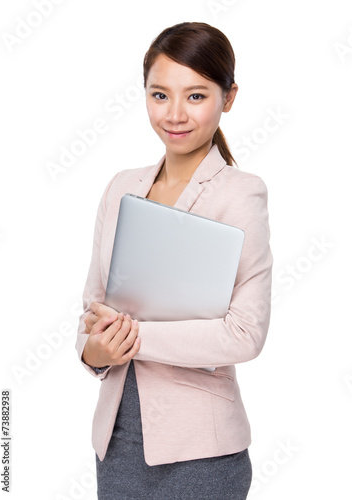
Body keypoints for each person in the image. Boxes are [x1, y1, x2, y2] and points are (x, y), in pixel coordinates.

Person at [75, 21, 273, 500]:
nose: (176, 114)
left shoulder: (241, 194)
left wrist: (134, 337)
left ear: (228, 98)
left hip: (201, 454)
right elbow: (91, 312)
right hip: (117, 445)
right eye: (160, 95)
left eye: (197, 96)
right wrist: (94, 353)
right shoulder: (121, 186)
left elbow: (244, 334)